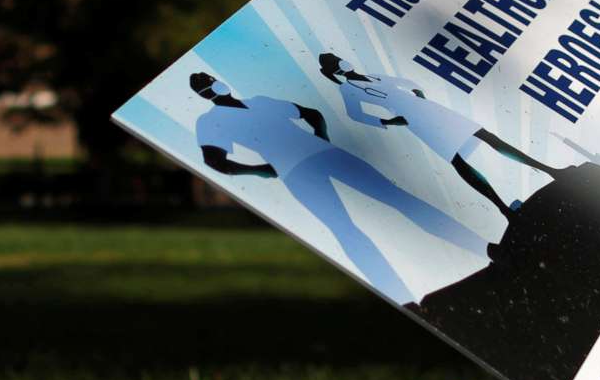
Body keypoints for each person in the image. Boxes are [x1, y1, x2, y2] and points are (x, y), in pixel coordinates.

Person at [187, 71, 486, 304]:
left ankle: (483, 247)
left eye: (209, 79)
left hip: (325, 154)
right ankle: (403, 297)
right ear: (202, 94)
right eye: (204, 85)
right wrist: (261, 171)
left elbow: (310, 113)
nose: (211, 84)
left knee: (398, 198)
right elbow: (215, 160)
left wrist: (321, 137)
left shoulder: (260, 101)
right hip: (295, 172)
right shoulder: (211, 121)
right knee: (344, 228)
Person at [317, 52, 566, 219]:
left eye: (340, 58)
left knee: (488, 137)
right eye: (337, 64)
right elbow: (355, 115)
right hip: (415, 121)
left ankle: (550, 170)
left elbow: (405, 82)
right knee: (457, 160)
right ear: (335, 72)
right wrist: (387, 121)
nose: (343, 63)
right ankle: (504, 209)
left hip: (430, 110)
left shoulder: (375, 75)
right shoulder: (349, 89)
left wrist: (419, 95)